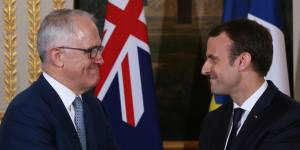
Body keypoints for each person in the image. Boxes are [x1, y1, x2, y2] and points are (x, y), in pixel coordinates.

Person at [0, 9, 119, 150]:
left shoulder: (94, 106)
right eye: (91, 51)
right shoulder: (26, 112)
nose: (100, 59)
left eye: (99, 50)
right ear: (58, 57)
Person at [199, 19, 300, 150]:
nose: (204, 69)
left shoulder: (291, 119)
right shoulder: (213, 120)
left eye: (213, 59)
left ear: (242, 61)